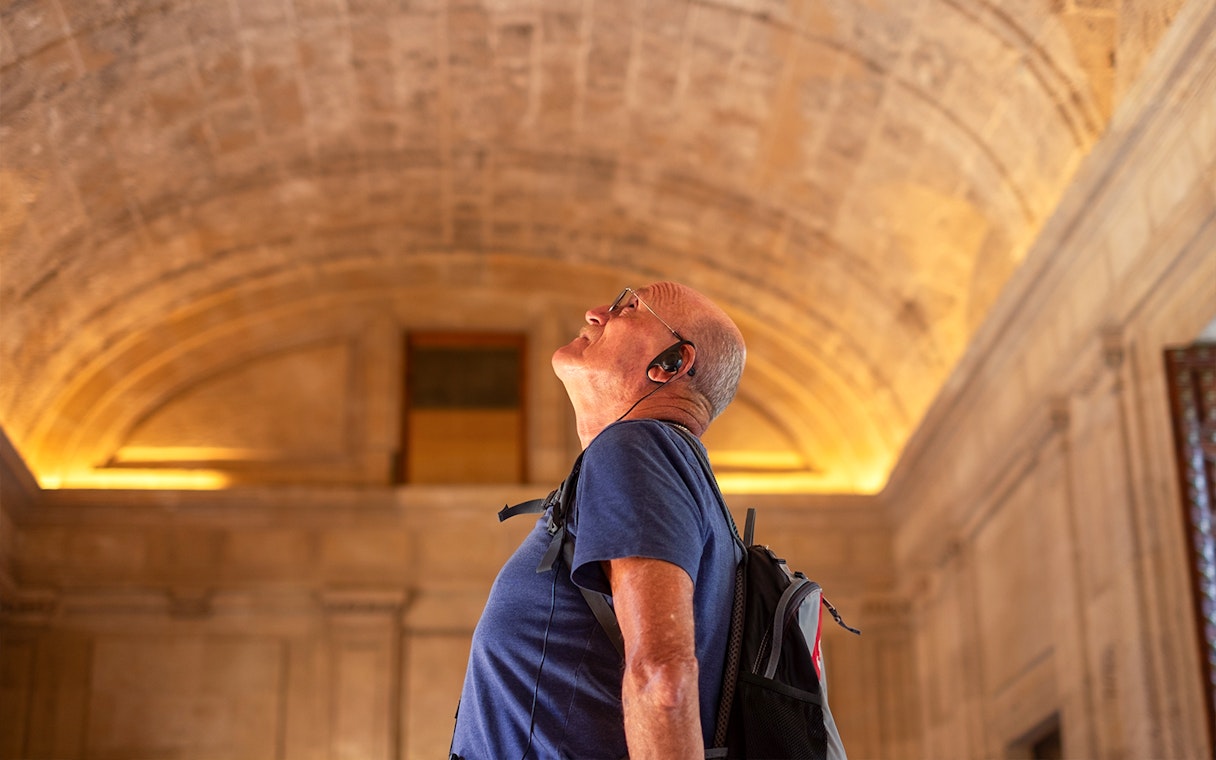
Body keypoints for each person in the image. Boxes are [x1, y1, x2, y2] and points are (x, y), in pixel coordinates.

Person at [450, 282, 747, 760]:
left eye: (627, 307)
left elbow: (663, 677)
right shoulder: (666, 467)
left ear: (670, 363)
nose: (594, 313)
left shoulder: (637, 448)